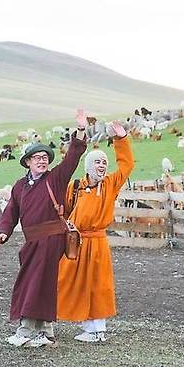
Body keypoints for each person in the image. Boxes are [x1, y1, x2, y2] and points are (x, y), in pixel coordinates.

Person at [0, 111, 88, 348]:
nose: (42, 160)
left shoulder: (55, 178)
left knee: (32, 283)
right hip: (32, 242)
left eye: (45, 157)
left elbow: (72, 158)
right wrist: (3, 232)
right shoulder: (20, 186)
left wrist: (80, 132)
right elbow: (11, 211)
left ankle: (26, 331)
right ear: (27, 162)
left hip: (51, 238)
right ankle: (45, 332)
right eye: (37, 157)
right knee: (41, 282)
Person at [56, 120, 134, 342]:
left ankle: (98, 330)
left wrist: (121, 140)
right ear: (89, 166)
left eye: (104, 162)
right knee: (69, 280)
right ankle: (83, 324)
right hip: (76, 242)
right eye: (97, 162)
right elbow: (66, 210)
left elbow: (126, 166)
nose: (102, 166)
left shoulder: (110, 184)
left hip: (98, 242)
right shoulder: (76, 186)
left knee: (98, 285)